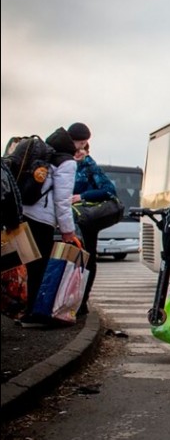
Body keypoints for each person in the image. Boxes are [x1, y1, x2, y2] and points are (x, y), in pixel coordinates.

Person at [17, 128, 78, 327]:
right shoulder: (67, 162)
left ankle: (24, 311)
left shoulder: (44, 155)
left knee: (28, 264)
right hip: (42, 219)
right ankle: (37, 314)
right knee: (40, 268)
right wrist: (68, 231)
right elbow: (62, 200)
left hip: (24, 213)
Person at [69, 124, 118, 318]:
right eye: (79, 146)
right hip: (64, 219)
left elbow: (109, 191)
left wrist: (82, 196)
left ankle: (82, 301)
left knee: (87, 259)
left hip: (85, 219)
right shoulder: (61, 160)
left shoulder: (88, 164)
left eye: (84, 147)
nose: (81, 151)